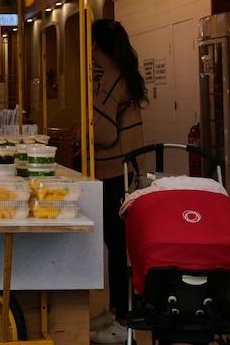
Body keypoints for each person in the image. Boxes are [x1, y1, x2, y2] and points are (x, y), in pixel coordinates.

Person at [89, 18, 148, 344]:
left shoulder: (111, 79)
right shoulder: (124, 76)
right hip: (130, 171)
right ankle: (124, 307)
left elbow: (105, 132)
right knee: (123, 242)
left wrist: (86, 124)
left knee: (114, 242)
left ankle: (119, 311)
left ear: (95, 46)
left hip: (113, 172)